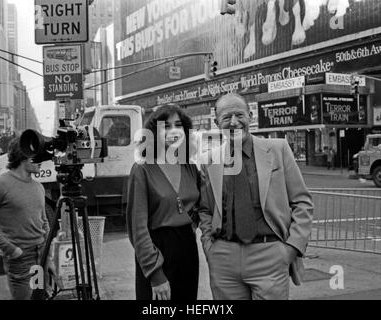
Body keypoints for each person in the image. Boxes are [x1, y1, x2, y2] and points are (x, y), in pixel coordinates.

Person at [198, 93, 314, 300]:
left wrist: (291, 248)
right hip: (224, 259)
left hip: (270, 255)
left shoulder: (279, 150)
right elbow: (205, 209)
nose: (234, 122)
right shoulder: (208, 161)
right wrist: (210, 248)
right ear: (217, 123)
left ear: (250, 116)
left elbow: (302, 201)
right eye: (226, 117)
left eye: (239, 114)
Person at [126, 104, 200, 301]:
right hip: (156, 250)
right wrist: (155, 274)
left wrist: (191, 227)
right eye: (166, 126)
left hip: (187, 249)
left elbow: (199, 208)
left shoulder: (190, 167)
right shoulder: (142, 169)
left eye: (178, 125)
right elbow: (138, 229)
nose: (173, 131)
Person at [0, 139, 49, 300]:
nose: (42, 161)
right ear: (25, 156)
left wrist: (47, 253)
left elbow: (44, 221)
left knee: (38, 297)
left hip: (40, 256)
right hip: (20, 258)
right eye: (38, 157)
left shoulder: (38, 187)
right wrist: (12, 250)